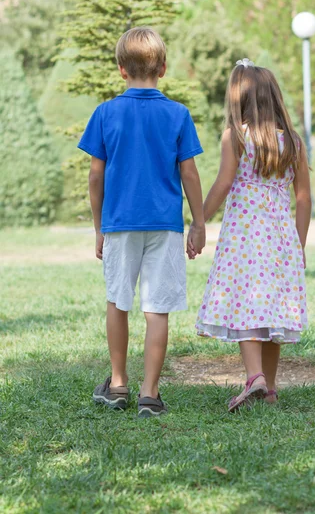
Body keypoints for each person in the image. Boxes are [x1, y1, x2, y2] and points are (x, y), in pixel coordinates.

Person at [78, 26, 205, 417]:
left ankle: (118, 385)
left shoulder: (105, 112)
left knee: (118, 301)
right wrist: (198, 223)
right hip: (165, 225)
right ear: (163, 68)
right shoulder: (178, 114)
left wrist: (99, 227)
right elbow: (190, 174)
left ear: (121, 70)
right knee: (157, 308)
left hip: (119, 223)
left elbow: (95, 176)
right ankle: (150, 394)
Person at [194, 58, 311, 412]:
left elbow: (224, 183)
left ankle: (254, 378)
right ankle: (270, 388)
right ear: (274, 97)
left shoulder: (236, 136)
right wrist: (300, 245)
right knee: (271, 311)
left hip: (245, 236)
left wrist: (199, 220)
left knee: (246, 304)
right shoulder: (292, 141)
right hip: (281, 239)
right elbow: (303, 197)